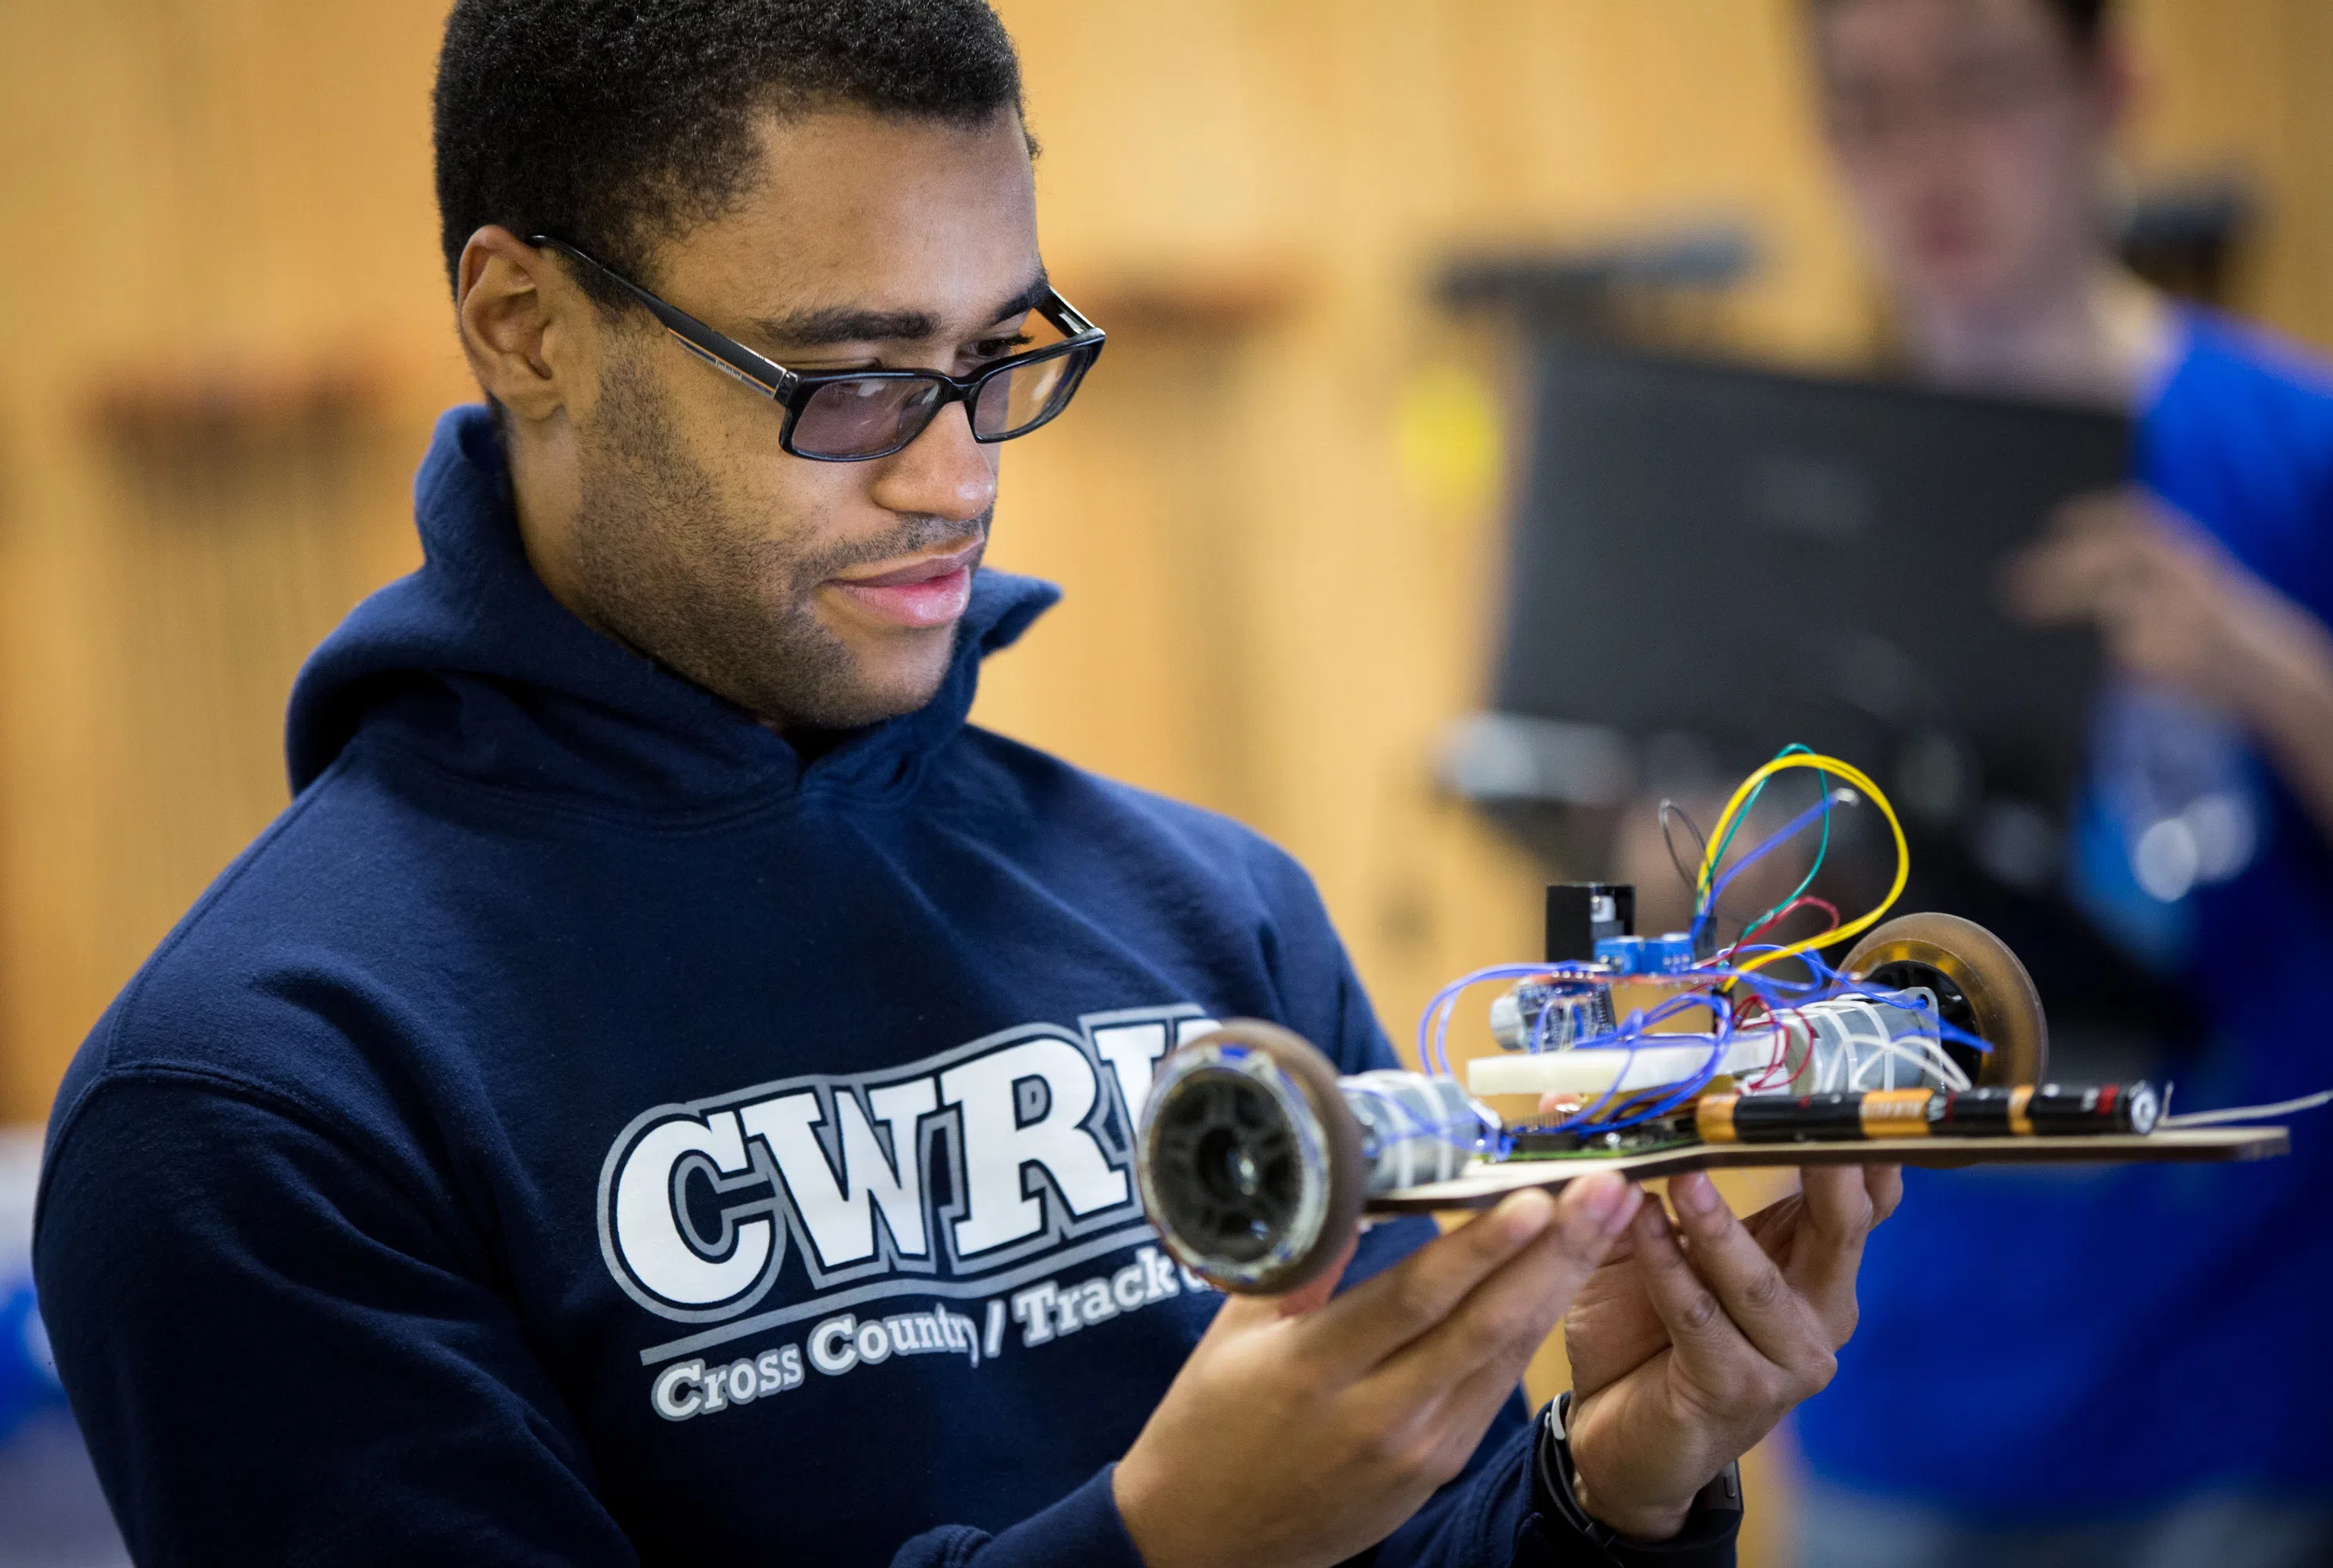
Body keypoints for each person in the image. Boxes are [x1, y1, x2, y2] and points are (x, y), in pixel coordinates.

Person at [31, 3, 1902, 1563]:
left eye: (993, 352)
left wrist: (1618, 1479)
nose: (957, 478)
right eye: (847, 380)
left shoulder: (1209, 910)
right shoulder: (254, 1103)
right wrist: (1157, 1548)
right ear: (526, 324)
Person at [1793, 1, 2333, 1563]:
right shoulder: (1790, 493)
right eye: (1870, 111)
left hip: (2250, 1397)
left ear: (2115, 88)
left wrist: (2259, 664)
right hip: (1894, 1388)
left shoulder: (2307, 456)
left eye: (1978, 87)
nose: (1930, 162)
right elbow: (1701, 941)